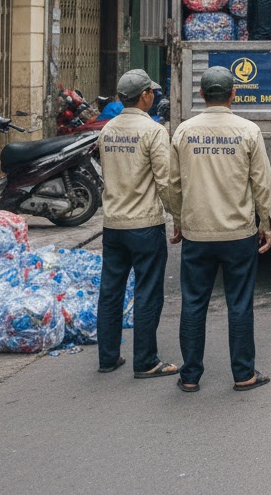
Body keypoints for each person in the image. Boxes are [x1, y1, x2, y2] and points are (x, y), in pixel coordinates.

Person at [169, 66, 271, 393]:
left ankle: (190, 376)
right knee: (240, 303)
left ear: (201, 95)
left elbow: (173, 185)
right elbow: (262, 184)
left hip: (197, 233)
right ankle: (243, 374)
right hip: (238, 234)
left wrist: (178, 220)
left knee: (193, 302)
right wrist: (267, 222)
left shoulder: (184, 132)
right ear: (233, 94)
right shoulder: (248, 131)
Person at [95, 69, 180, 379]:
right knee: (147, 292)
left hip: (113, 224)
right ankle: (145, 361)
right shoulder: (153, 131)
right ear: (145, 95)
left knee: (111, 291)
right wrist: (178, 218)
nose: (153, 97)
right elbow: (166, 182)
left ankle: (107, 357)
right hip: (144, 224)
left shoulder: (107, 130)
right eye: (151, 93)